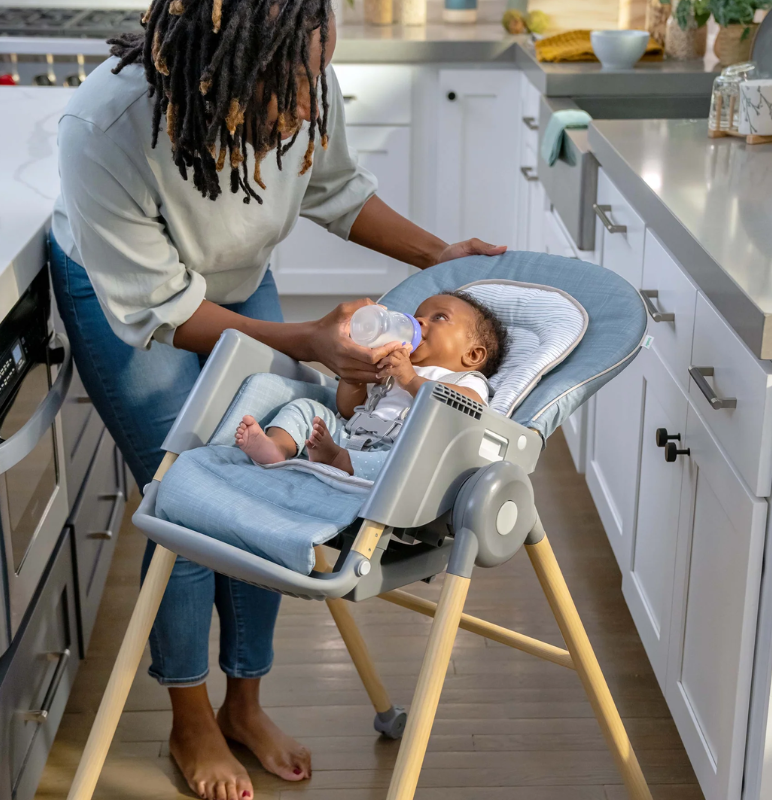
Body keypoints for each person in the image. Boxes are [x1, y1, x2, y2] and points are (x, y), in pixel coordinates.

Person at [49, 0, 508, 796]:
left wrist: (441, 256)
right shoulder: (107, 126)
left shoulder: (303, 72)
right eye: (287, 87)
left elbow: (336, 190)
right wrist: (305, 341)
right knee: (188, 491)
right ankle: (190, 719)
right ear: (216, 63)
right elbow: (166, 308)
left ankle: (245, 702)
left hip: (235, 277)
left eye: (316, 73)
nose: (306, 106)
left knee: (267, 478)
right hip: (128, 296)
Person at [235, 292, 506, 476]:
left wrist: (411, 379)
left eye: (440, 318)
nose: (419, 321)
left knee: (409, 464)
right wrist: (353, 379)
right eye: (418, 314)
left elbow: (464, 408)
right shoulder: (394, 364)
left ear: (472, 355)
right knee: (307, 409)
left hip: (395, 451)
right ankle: (278, 446)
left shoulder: (467, 381)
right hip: (352, 435)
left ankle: (337, 460)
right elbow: (350, 410)